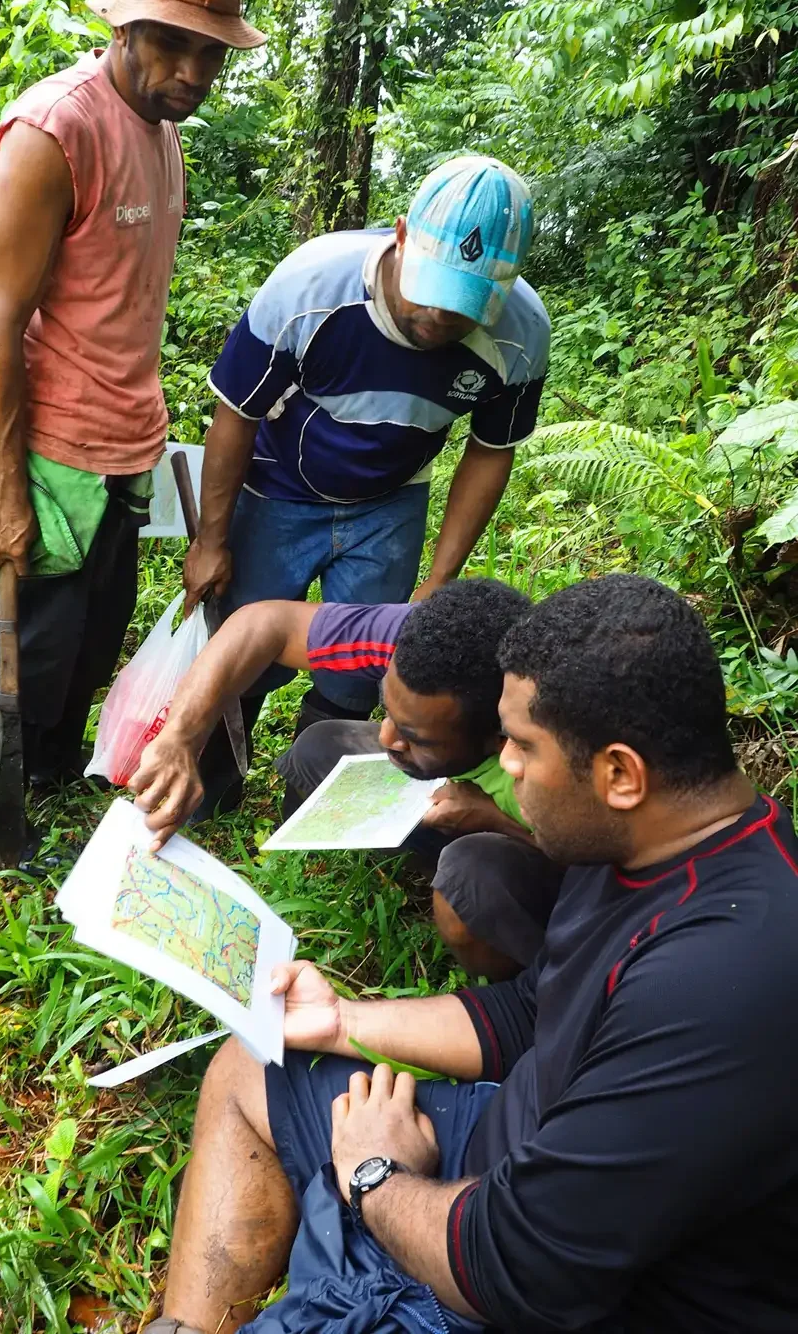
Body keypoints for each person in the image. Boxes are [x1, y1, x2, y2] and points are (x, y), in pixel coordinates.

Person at [142, 574, 798, 1334]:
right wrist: (341, 1022)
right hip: (507, 1160)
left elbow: (524, 1266)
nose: (506, 766)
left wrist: (374, 1173)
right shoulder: (635, 842)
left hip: (537, 1282)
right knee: (254, 1064)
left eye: (521, 745)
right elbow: (531, 1012)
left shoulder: (720, 982)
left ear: (620, 773)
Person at [0, 0, 266, 859]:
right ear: (125, 26)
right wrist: (4, 492)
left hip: (128, 437)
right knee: (22, 640)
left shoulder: (162, 130)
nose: (196, 73)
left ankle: (42, 773)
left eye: (212, 54)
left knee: (90, 639)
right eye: (175, 45)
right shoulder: (56, 129)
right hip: (48, 446)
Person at [182, 154, 550, 808]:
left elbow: (489, 453)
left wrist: (439, 580)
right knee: (245, 642)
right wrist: (212, 537)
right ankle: (209, 785)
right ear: (401, 235)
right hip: (280, 487)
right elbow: (235, 413)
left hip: (391, 497)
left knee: (362, 665)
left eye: (464, 309)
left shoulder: (521, 335)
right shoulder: (311, 287)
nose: (439, 319)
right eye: (429, 295)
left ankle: (317, 800)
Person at [134, 580, 564, 979]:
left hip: (558, 858)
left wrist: (495, 822)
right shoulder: (425, 644)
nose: (385, 737)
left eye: (414, 736)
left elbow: (614, 880)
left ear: (500, 734)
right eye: (387, 711)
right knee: (319, 747)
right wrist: (179, 741)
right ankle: (432, 852)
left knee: (469, 877)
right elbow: (263, 623)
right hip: (462, 799)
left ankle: (526, 984)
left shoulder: (560, 734)